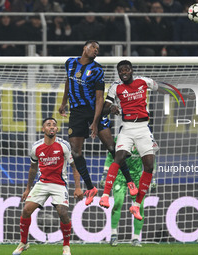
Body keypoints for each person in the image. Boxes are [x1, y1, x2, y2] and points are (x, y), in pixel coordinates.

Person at [59, 40, 137, 206]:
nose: (96, 50)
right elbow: (68, 81)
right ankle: (90, 188)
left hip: (94, 111)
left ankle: (129, 181)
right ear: (84, 48)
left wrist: (94, 122)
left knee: (111, 147)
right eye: (93, 47)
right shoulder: (70, 63)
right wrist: (63, 102)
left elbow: (100, 97)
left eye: (98, 49)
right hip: (76, 113)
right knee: (76, 152)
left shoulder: (97, 70)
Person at [99, 60, 164, 220]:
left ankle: (136, 206)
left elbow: (161, 88)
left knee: (148, 166)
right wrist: (111, 108)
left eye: (126, 69)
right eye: (121, 71)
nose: (124, 72)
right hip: (127, 128)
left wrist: (181, 94)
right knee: (119, 156)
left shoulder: (144, 81)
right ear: (118, 73)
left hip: (143, 128)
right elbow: (104, 108)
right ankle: (105, 195)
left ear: (131, 70)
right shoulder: (116, 87)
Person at [12, 117, 84, 255]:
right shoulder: (36, 147)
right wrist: (28, 188)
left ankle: (66, 247)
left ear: (57, 129)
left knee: (63, 213)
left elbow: (74, 167)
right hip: (42, 183)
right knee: (26, 210)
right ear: (43, 129)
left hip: (59, 184)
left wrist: (78, 187)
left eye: (54, 125)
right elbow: (33, 168)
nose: (52, 127)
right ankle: (23, 243)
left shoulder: (64, 146)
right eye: (48, 125)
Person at [100, 136, 157, 247]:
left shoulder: (144, 138)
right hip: (120, 176)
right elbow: (111, 157)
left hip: (137, 178)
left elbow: (150, 160)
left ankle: (136, 238)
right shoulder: (120, 138)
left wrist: (152, 177)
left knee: (139, 207)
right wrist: (104, 174)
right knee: (118, 202)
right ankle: (113, 235)